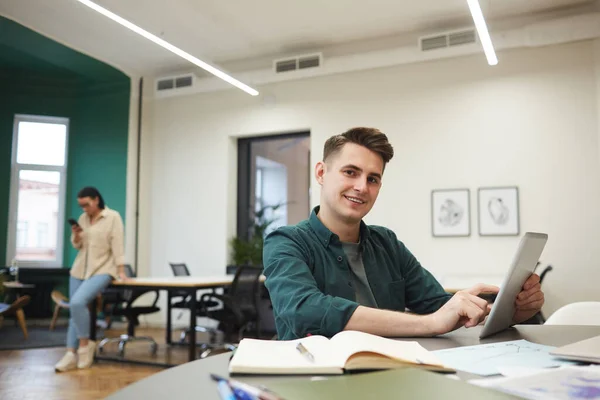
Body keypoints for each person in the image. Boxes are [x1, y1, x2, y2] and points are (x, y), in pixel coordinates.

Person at [263, 127, 544, 340]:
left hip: (393, 373)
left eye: (373, 179)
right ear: (322, 173)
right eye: (350, 172)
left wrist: (514, 310)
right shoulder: (286, 242)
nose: (362, 186)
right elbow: (305, 310)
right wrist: (431, 322)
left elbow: (440, 305)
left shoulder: (386, 243)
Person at [55, 187, 128, 372]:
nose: (84, 209)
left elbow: (118, 244)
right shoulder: (83, 219)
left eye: (86, 204)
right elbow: (78, 246)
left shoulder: (113, 217)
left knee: (78, 302)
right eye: (81, 206)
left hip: (103, 269)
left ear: (96, 200)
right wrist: (77, 235)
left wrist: (121, 270)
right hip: (79, 270)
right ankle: (70, 354)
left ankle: (85, 346)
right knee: (74, 310)